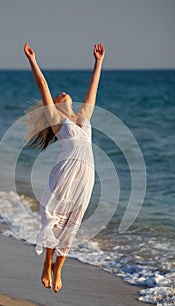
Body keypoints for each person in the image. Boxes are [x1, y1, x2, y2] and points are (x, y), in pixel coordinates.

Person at [24, 42, 105, 292]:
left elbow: (93, 90)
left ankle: (58, 269)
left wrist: (98, 62)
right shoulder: (58, 121)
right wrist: (33, 60)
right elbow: (43, 86)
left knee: (73, 222)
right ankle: (47, 263)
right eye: (59, 96)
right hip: (66, 173)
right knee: (54, 218)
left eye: (63, 94)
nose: (63, 93)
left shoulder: (83, 118)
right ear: (57, 105)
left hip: (86, 176)